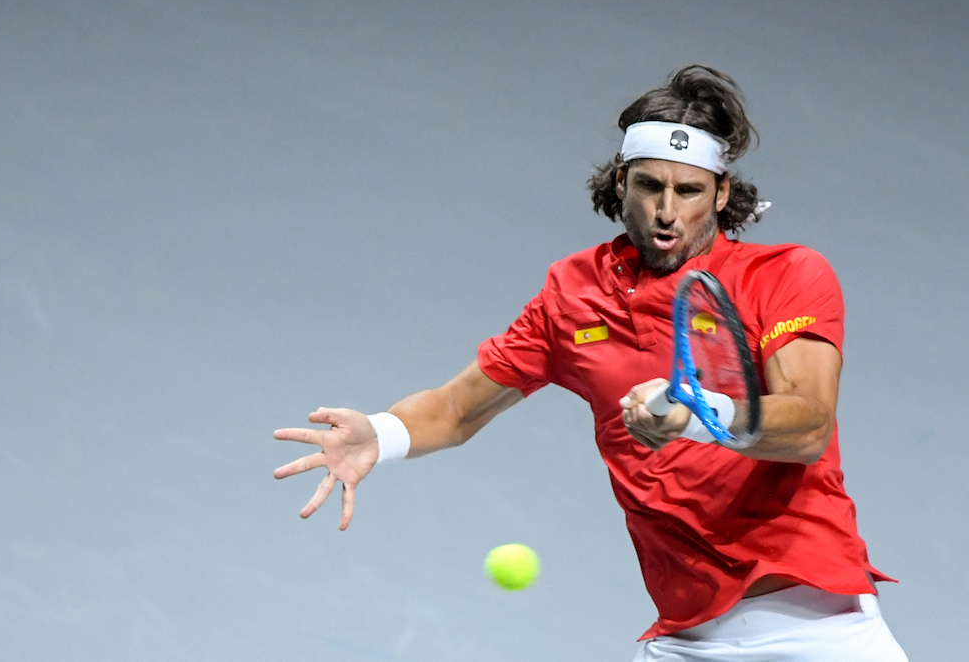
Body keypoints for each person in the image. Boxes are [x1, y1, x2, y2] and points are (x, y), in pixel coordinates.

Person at [273, 66, 908, 661]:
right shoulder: (573, 293)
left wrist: (696, 414)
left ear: (721, 196)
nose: (666, 212)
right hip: (688, 636)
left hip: (819, 629)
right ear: (619, 185)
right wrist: (380, 435)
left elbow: (808, 425)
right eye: (649, 186)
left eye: (688, 191)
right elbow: (456, 408)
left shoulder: (787, 275)